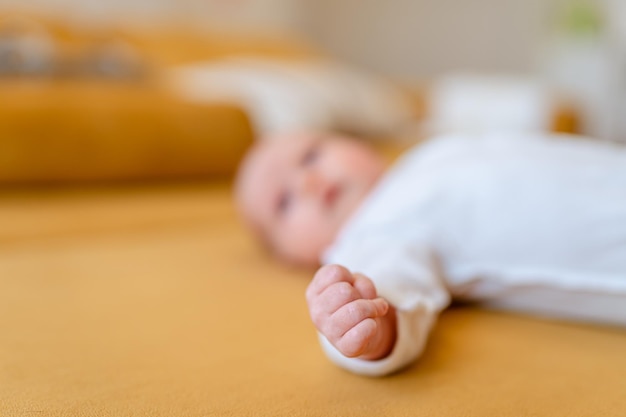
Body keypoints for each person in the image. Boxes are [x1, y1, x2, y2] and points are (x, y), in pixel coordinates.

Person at [235, 130, 626, 376]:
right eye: (283, 202)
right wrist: (361, 325)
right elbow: (392, 296)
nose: (308, 180)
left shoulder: (421, 157)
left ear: (357, 142)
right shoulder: (369, 236)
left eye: (311, 155)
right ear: (293, 257)